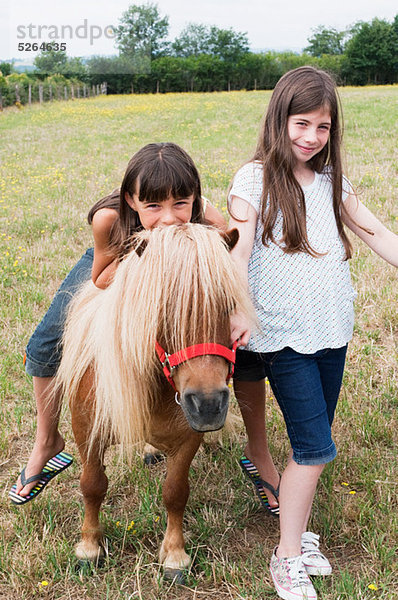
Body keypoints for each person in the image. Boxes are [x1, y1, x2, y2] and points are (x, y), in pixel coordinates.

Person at [228, 66, 398, 600]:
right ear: (279, 120)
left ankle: (297, 535)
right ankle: (286, 558)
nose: (311, 137)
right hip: (280, 337)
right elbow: (238, 250)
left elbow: (377, 234)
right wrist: (238, 308)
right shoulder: (252, 180)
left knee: (313, 443)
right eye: (301, 124)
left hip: (332, 332)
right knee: (314, 448)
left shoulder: (331, 183)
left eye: (323, 127)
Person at [11, 142, 227, 504]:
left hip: (179, 268)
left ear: (195, 197)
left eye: (180, 203)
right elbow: (99, 277)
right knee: (44, 346)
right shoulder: (108, 219)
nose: (169, 218)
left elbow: (226, 259)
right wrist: (144, 270)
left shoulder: (206, 216)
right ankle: (47, 440)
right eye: (154, 206)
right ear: (131, 200)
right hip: (118, 261)